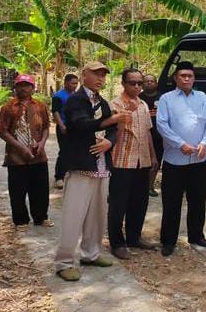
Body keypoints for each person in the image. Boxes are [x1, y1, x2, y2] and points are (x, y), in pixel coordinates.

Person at [54, 61, 129, 282]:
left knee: (97, 214)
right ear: (84, 75)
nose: (100, 79)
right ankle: (64, 262)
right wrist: (112, 119)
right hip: (81, 165)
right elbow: (81, 124)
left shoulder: (102, 102)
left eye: (104, 76)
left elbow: (113, 130)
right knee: (73, 215)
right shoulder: (75, 101)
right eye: (96, 74)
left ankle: (91, 253)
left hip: (101, 165)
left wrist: (109, 142)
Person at [156, 61, 206, 256]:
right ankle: (168, 241)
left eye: (190, 76)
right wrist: (180, 143)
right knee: (172, 202)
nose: (187, 79)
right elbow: (162, 125)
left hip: (199, 160)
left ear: (194, 78)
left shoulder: (202, 97)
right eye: (183, 75)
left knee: (198, 200)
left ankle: (196, 235)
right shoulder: (167, 99)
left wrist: (205, 143)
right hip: (175, 160)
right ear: (176, 78)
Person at [108, 68, 159, 259]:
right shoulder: (114, 104)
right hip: (121, 160)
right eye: (133, 83)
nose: (137, 86)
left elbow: (147, 133)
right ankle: (117, 243)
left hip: (142, 160)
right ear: (123, 83)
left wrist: (153, 157)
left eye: (140, 83)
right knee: (118, 203)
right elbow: (112, 133)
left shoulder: (144, 105)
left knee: (139, 201)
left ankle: (134, 237)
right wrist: (124, 114)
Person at [0, 74, 53, 229]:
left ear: (33, 88)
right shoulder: (8, 108)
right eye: (20, 85)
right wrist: (21, 148)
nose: (23, 88)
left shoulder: (40, 106)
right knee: (18, 190)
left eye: (27, 85)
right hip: (16, 158)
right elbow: (3, 131)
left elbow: (47, 127)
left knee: (40, 189)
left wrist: (42, 143)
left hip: (39, 156)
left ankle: (41, 217)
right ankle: (21, 220)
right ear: (15, 87)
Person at [51, 73, 79, 189]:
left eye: (76, 83)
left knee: (74, 150)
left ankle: (71, 173)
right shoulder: (58, 96)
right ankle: (59, 177)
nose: (75, 86)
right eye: (73, 83)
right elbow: (55, 111)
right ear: (66, 83)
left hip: (75, 126)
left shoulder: (76, 95)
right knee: (64, 151)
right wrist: (61, 125)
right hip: (64, 125)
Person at [139, 73, 163, 197]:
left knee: (156, 162)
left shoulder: (163, 98)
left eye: (152, 81)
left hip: (159, 136)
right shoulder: (138, 98)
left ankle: (150, 186)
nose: (149, 83)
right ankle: (141, 187)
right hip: (142, 135)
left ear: (156, 83)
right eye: (146, 81)